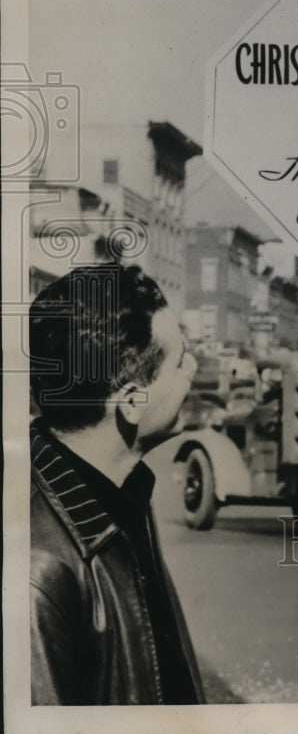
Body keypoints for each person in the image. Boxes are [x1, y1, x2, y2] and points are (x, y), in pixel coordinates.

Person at [28, 264, 204, 705]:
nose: (193, 369)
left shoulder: (123, 493)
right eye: (178, 362)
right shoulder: (36, 569)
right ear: (130, 402)